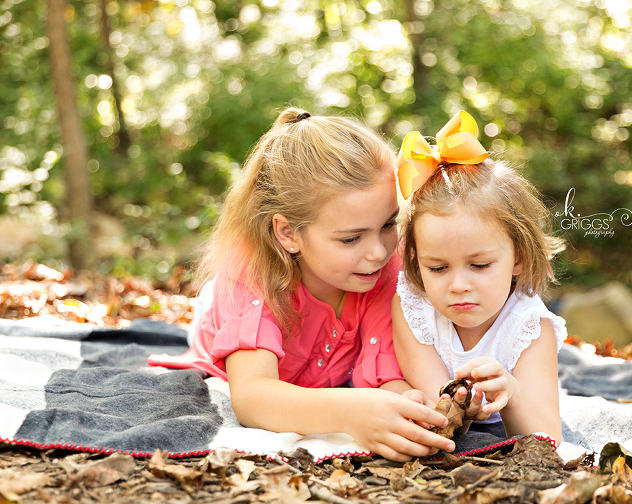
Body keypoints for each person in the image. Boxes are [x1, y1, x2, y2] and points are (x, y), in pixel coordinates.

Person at [148, 108, 455, 461]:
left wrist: (409, 404)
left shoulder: (385, 265)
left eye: (388, 224)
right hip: (236, 329)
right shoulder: (252, 274)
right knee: (220, 308)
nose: (379, 251)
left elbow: (385, 369)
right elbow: (252, 397)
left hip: (326, 370)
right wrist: (354, 412)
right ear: (288, 233)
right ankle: (209, 305)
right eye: (351, 239)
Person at [392, 111, 567, 444]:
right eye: (438, 268)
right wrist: (449, 406)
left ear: (518, 256)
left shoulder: (529, 330)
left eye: (480, 265)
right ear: (415, 260)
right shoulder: (413, 310)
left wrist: (512, 392)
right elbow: (442, 410)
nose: (458, 285)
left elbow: (549, 438)